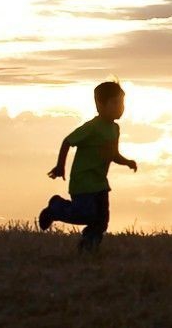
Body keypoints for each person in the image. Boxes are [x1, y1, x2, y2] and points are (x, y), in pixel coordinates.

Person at [39, 80, 137, 252]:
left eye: (122, 102)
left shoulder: (114, 129)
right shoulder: (92, 127)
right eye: (115, 102)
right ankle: (56, 208)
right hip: (83, 182)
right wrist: (60, 166)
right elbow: (67, 141)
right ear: (100, 105)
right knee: (85, 214)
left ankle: (88, 246)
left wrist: (127, 162)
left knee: (101, 221)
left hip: (100, 184)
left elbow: (113, 154)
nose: (120, 107)